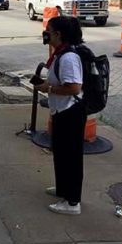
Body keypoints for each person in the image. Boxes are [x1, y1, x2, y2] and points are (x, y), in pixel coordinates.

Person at [36, 16, 86, 215]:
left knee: (71, 157)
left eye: (48, 30)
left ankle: (72, 202)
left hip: (71, 113)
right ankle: (63, 189)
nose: (45, 33)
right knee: (61, 153)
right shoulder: (60, 53)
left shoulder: (69, 58)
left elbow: (74, 87)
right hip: (61, 111)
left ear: (58, 34)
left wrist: (49, 88)